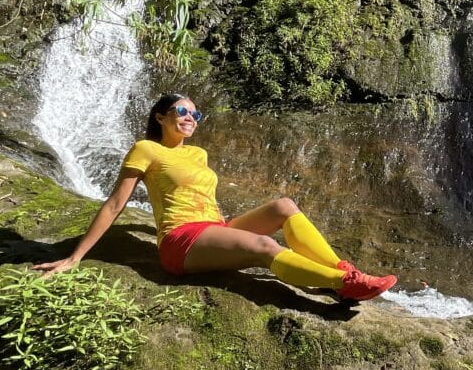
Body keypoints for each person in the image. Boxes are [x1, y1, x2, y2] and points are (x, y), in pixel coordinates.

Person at [32, 93, 397, 301]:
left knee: (284, 206)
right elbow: (115, 205)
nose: (190, 117)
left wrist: (225, 229)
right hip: (182, 241)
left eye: (195, 113)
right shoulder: (145, 149)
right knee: (265, 247)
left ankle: (342, 271)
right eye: (181, 111)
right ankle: (344, 285)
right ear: (160, 116)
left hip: (212, 228)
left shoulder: (198, 154)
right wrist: (75, 257)